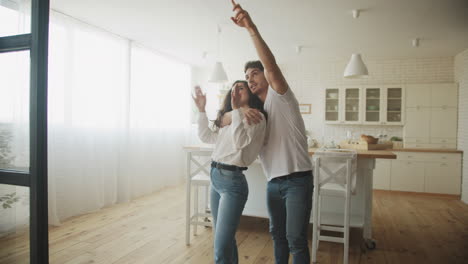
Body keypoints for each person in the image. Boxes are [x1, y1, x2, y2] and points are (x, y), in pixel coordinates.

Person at [225, 1, 314, 263]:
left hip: (297, 180)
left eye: (254, 73)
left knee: (296, 239)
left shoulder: (280, 97)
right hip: (273, 183)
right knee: (277, 235)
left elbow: (271, 65)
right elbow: (226, 127)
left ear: (265, 76)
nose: (250, 79)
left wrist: (250, 28)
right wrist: (238, 111)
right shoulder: (258, 113)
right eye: (247, 76)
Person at [192, 80, 267, 264]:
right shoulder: (230, 116)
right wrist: (202, 110)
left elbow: (240, 142)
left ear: (250, 92)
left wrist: (235, 114)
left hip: (233, 183)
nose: (236, 91)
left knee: (220, 246)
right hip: (216, 178)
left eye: (241, 87)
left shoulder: (256, 116)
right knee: (224, 240)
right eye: (234, 88)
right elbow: (206, 136)